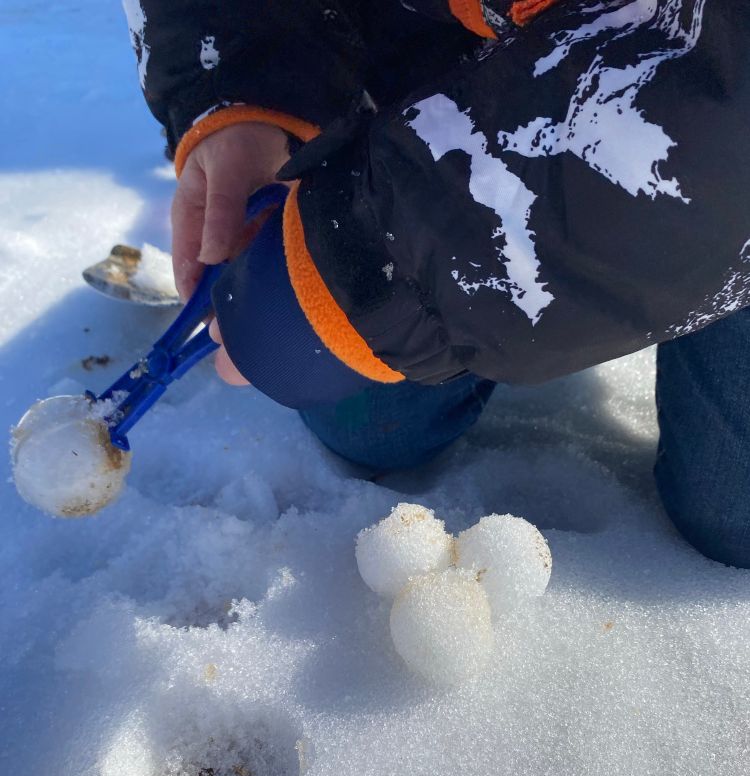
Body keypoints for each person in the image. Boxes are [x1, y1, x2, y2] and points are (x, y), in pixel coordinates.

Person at [123, 0, 750, 566]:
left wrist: (367, 267)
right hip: (426, 64)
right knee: (372, 429)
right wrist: (240, 77)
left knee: (735, 514)